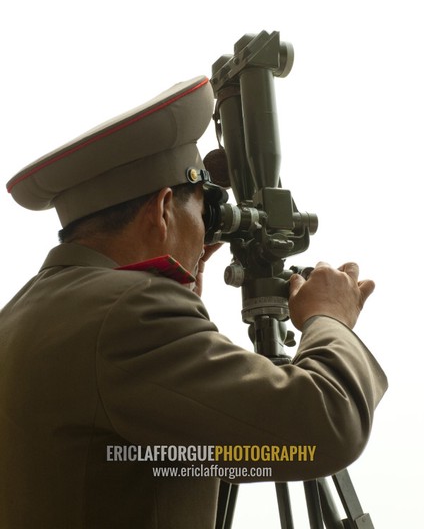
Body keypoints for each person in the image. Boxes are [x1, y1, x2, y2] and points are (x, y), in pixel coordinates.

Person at [0, 76, 387, 529]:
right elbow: (326, 427)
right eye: (202, 212)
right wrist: (330, 318)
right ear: (163, 209)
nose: (206, 232)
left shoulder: (21, 314)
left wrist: (176, 305)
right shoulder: (132, 311)